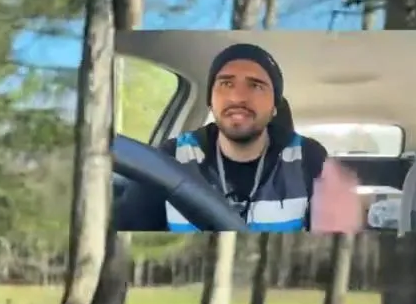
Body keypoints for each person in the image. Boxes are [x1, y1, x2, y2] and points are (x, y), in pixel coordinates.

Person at [115, 42, 362, 234]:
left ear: (275, 107)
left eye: (255, 86)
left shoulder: (309, 158)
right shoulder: (171, 157)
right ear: (210, 101)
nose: (238, 98)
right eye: (226, 84)